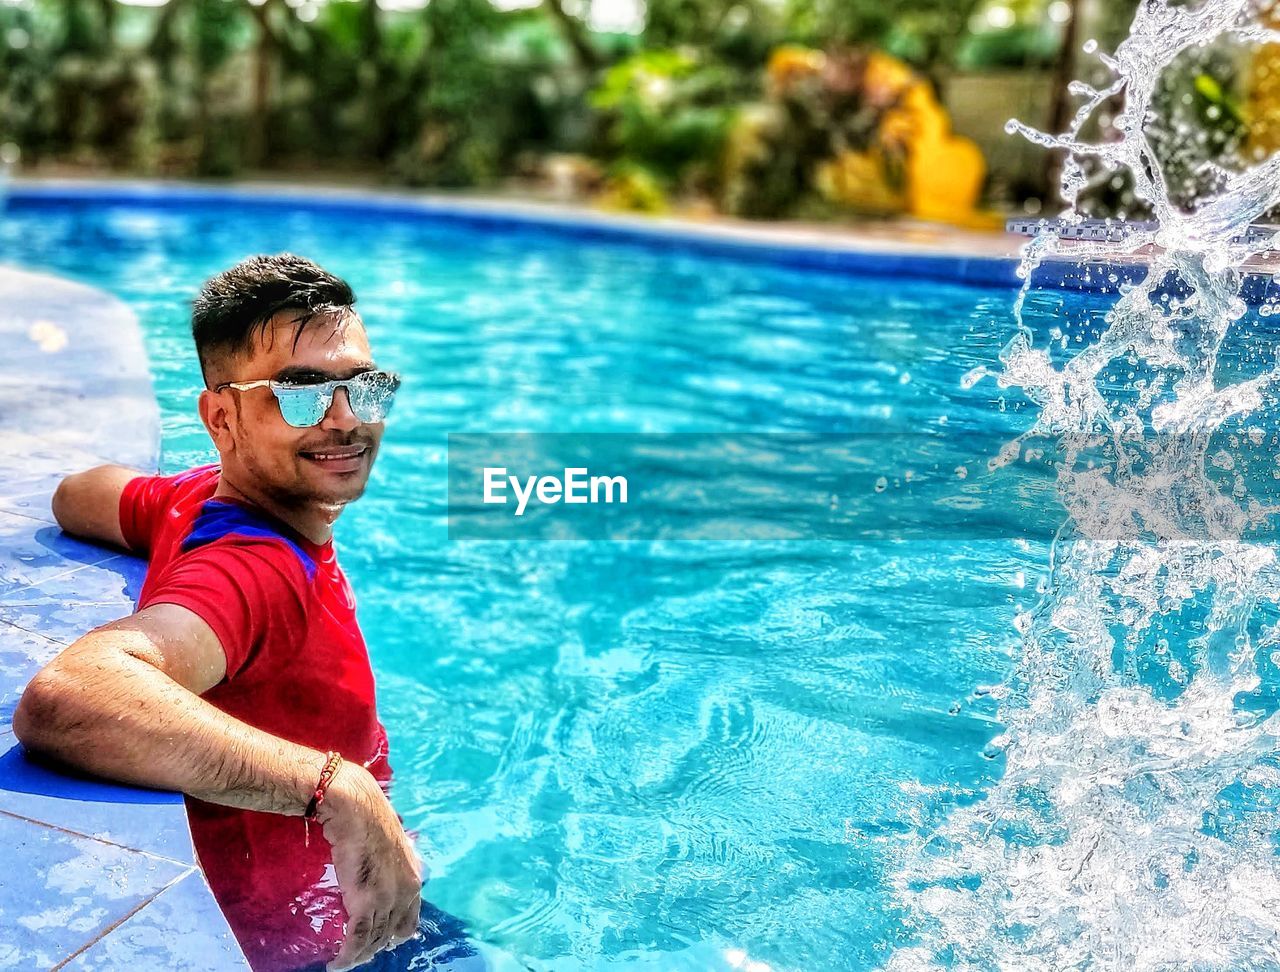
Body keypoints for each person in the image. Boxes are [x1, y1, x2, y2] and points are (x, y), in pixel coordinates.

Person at [13, 255, 479, 972]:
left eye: (365, 384)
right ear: (221, 417)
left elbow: (81, 492)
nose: (346, 418)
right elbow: (70, 695)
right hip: (317, 942)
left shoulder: (194, 497)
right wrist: (337, 789)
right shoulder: (258, 572)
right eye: (300, 394)